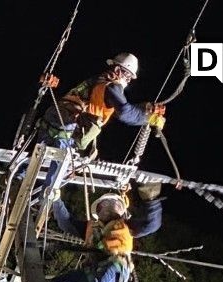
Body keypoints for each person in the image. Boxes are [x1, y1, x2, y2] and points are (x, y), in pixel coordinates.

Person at [33, 52, 167, 192]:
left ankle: (17, 178)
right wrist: (151, 119)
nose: (128, 81)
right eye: (127, 76)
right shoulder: (112, 87)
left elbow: (110, 109)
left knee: (35, 161)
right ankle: (47, 198)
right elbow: (125, 113)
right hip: (65, 131)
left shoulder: (97, 81)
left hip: (50, 123)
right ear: (117, 70)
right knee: (53, 182)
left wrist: (146, 108)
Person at [48, 182, 163, 282]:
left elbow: (151, 223)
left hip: (116, 267)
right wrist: (56, 201)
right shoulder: (91, 228)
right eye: (104, 205)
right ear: (98, 211)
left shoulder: (126, 226)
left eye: (114, 204)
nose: (109, 207)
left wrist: (150, 197)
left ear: (121, 210)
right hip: (92, 271)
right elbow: (66, 222)